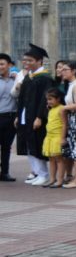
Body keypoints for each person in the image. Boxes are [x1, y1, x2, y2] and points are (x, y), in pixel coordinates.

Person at [15, 44, 54, 186]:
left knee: (37, 145)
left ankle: (44, 174)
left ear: (39, 61)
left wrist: (39, 117)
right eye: (25, 60)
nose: (27, 63)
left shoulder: (45, 78)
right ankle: (37, 172)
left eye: (30, 60)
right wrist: (19, 116)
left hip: (37, 118)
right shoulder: (28, 77)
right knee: (28, 145)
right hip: (26, 116)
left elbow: (45, 100)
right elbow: (22, 98)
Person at [40, 88, 65, 188]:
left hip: (57, 137)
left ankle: (59, 180)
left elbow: (64, 124)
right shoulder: (50, 109)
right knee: (51, 159)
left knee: (59, 159)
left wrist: (62, 138)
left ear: (58, 99)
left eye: (50, 99)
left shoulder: (61, 109)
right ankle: (52, 178)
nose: (48, 101)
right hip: (49, 137)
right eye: (47, 99)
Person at [0, 53, 17, 182]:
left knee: (7, 147)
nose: (0, 67)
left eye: (2, 64)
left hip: (11, 118)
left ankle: (5, 172)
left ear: (10, 65)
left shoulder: (15, 80)